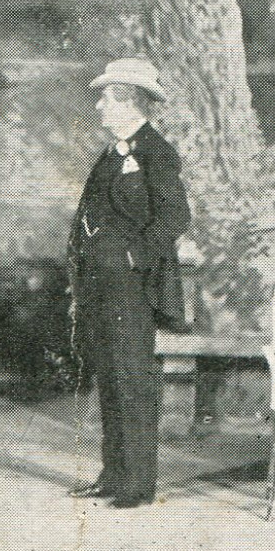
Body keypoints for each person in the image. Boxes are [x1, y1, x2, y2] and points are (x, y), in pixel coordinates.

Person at [67, 58, 192, 509]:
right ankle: (115, 474)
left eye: (107, 96)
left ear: (128, 100)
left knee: (132, 381)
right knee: (111, 380)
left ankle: (137, 485)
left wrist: (131, 256)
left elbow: (176, 217)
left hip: (131, 288)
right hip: (101, 286)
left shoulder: (156, 152)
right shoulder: (112, 153)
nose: (99, 104)